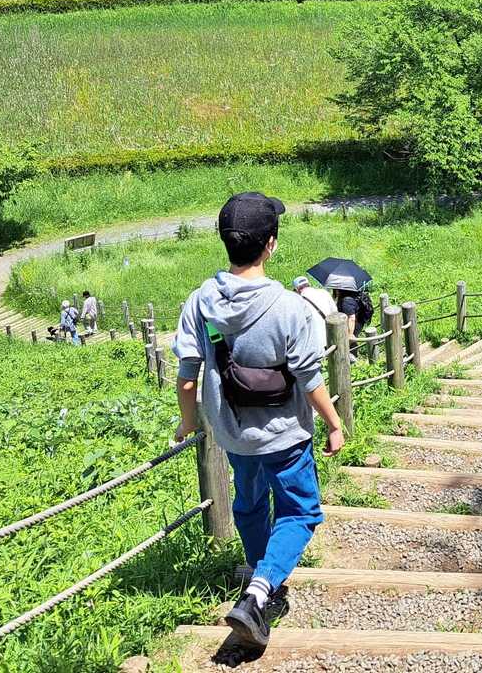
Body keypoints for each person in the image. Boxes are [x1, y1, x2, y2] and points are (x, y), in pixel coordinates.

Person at [172, 193, 345, 651]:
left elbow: (187, 378)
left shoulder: (199, 302)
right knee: (300, 511)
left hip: (233, 434)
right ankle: (259, 592)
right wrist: (333, 423)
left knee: (249, 504)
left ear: (225, 241)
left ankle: (259, 575)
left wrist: (188, 424)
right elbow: (309, 378)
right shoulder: (290, 307)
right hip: (285, 434)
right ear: (270, 244)